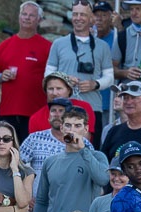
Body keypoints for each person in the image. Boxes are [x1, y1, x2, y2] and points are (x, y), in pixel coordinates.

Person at [31, 107, 109, 212]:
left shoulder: (97, 157)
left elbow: (103, 179)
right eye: (68, 125)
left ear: (86, 129)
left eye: (77, 125)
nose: (72, 130)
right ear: (62, 128)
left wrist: (82, 150)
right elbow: (42, 200)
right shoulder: (51, 162)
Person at [45, 0, 113, 145]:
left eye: (82, 14)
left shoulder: (102, 46)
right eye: (75, 14)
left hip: (93, 107)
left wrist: (95, 84)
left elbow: (110, 77)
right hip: (64, 108)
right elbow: (47, 75)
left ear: (91, 19)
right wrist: (64, 79)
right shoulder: (58, 44)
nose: (78, 18)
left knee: (90, 150)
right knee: (63, 147)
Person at [0, 1, 51, 143]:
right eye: (24, 14)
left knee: (33, 156)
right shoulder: (5, 45)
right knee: (6, 153)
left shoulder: (47, 47)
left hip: (35, 112)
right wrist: (0, 76)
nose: (27, 18)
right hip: (8, 111)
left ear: (39, 20)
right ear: (19, 17)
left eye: (32, 15)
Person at [100, 81, 141, 160]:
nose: (128, 102)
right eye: (125, 98)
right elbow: (104, 163)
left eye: (133, 97)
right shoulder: (113, 131)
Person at [26, 71, 96, 137]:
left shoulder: (83, 108)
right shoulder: (36, 118)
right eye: (50, 89)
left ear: (69, 90)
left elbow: (85, 142)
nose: (54, 93)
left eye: (59, 88)